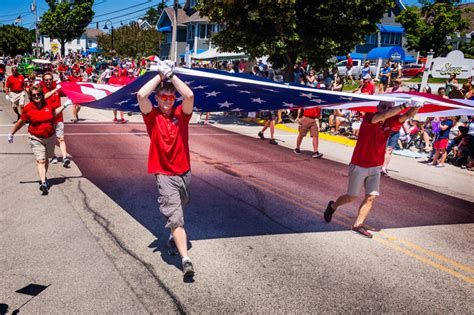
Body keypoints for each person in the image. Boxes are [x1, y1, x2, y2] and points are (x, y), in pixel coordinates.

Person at [323, 99, 422, 238]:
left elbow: (406, 116)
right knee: (352, 196)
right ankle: (333, 206)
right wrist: (405, 105)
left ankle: (358, 224)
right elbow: (382, 116)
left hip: (375, 166)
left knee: (371, 197)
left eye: (389, 107)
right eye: (383, 106)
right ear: (378, 107)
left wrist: (417, 106)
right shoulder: (370, 117)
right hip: (359, 164)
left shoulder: (391, 121)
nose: (386, 109)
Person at [136, 59, 195, 278]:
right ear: (158, 99)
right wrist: (160, 76)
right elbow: (141, 96)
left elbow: (189, 96)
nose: (168, 101)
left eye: (171, 97)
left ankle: (173, 234)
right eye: (163, 97)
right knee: (176, 216)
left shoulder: (181, 115)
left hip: (184, 172)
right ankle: (186, 259)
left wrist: (173, 75)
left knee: (179, 209)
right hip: (164, 174)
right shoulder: (152, 117)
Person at [7, 85, 71, 195]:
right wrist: (12, 133)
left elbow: (53, 114)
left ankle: (43, 177)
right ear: (31, 97)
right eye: (34, 95)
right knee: (40, 160)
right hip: (35, 137)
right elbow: (21, 122)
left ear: (42, 95)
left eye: (39, 94)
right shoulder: (28, 108)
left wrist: (65, 105)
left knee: (46, 159)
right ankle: (43, 183)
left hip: (50, 137)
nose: (37, 97)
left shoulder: (47, 104)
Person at [42, 72, 71, 167]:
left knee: (61, 138)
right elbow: (45, 96)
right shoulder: (42, 89)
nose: (48, 81)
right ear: (44, 81)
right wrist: (56, 89)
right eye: (46, 80)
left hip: (59, 118)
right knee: (50, 139)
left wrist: (66, 81)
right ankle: (53, 155)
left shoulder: (57, 88)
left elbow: (68, 91)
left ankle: (64, 157)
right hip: (47, 118)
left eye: (50, 79)